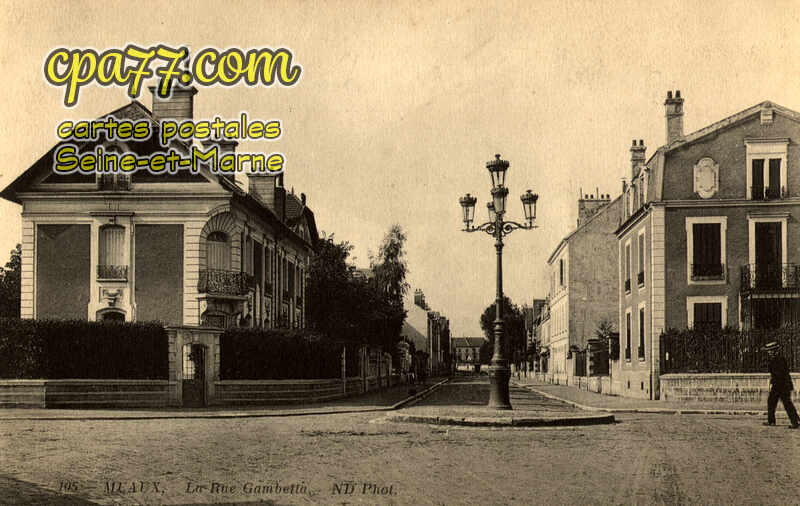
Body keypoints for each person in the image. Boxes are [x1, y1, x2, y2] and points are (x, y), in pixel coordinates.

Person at [763, 341, 800, 429]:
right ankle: (772, 421)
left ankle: (795, 422)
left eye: (770, 350)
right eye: (768, 351)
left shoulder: (779, 359)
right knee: (772, 402)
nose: (769, 352)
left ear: (774, 350)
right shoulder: (775, 359)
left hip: (782, 385)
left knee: (786, 403)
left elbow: (780, 374)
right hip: (779, 385)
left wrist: (775, 383)